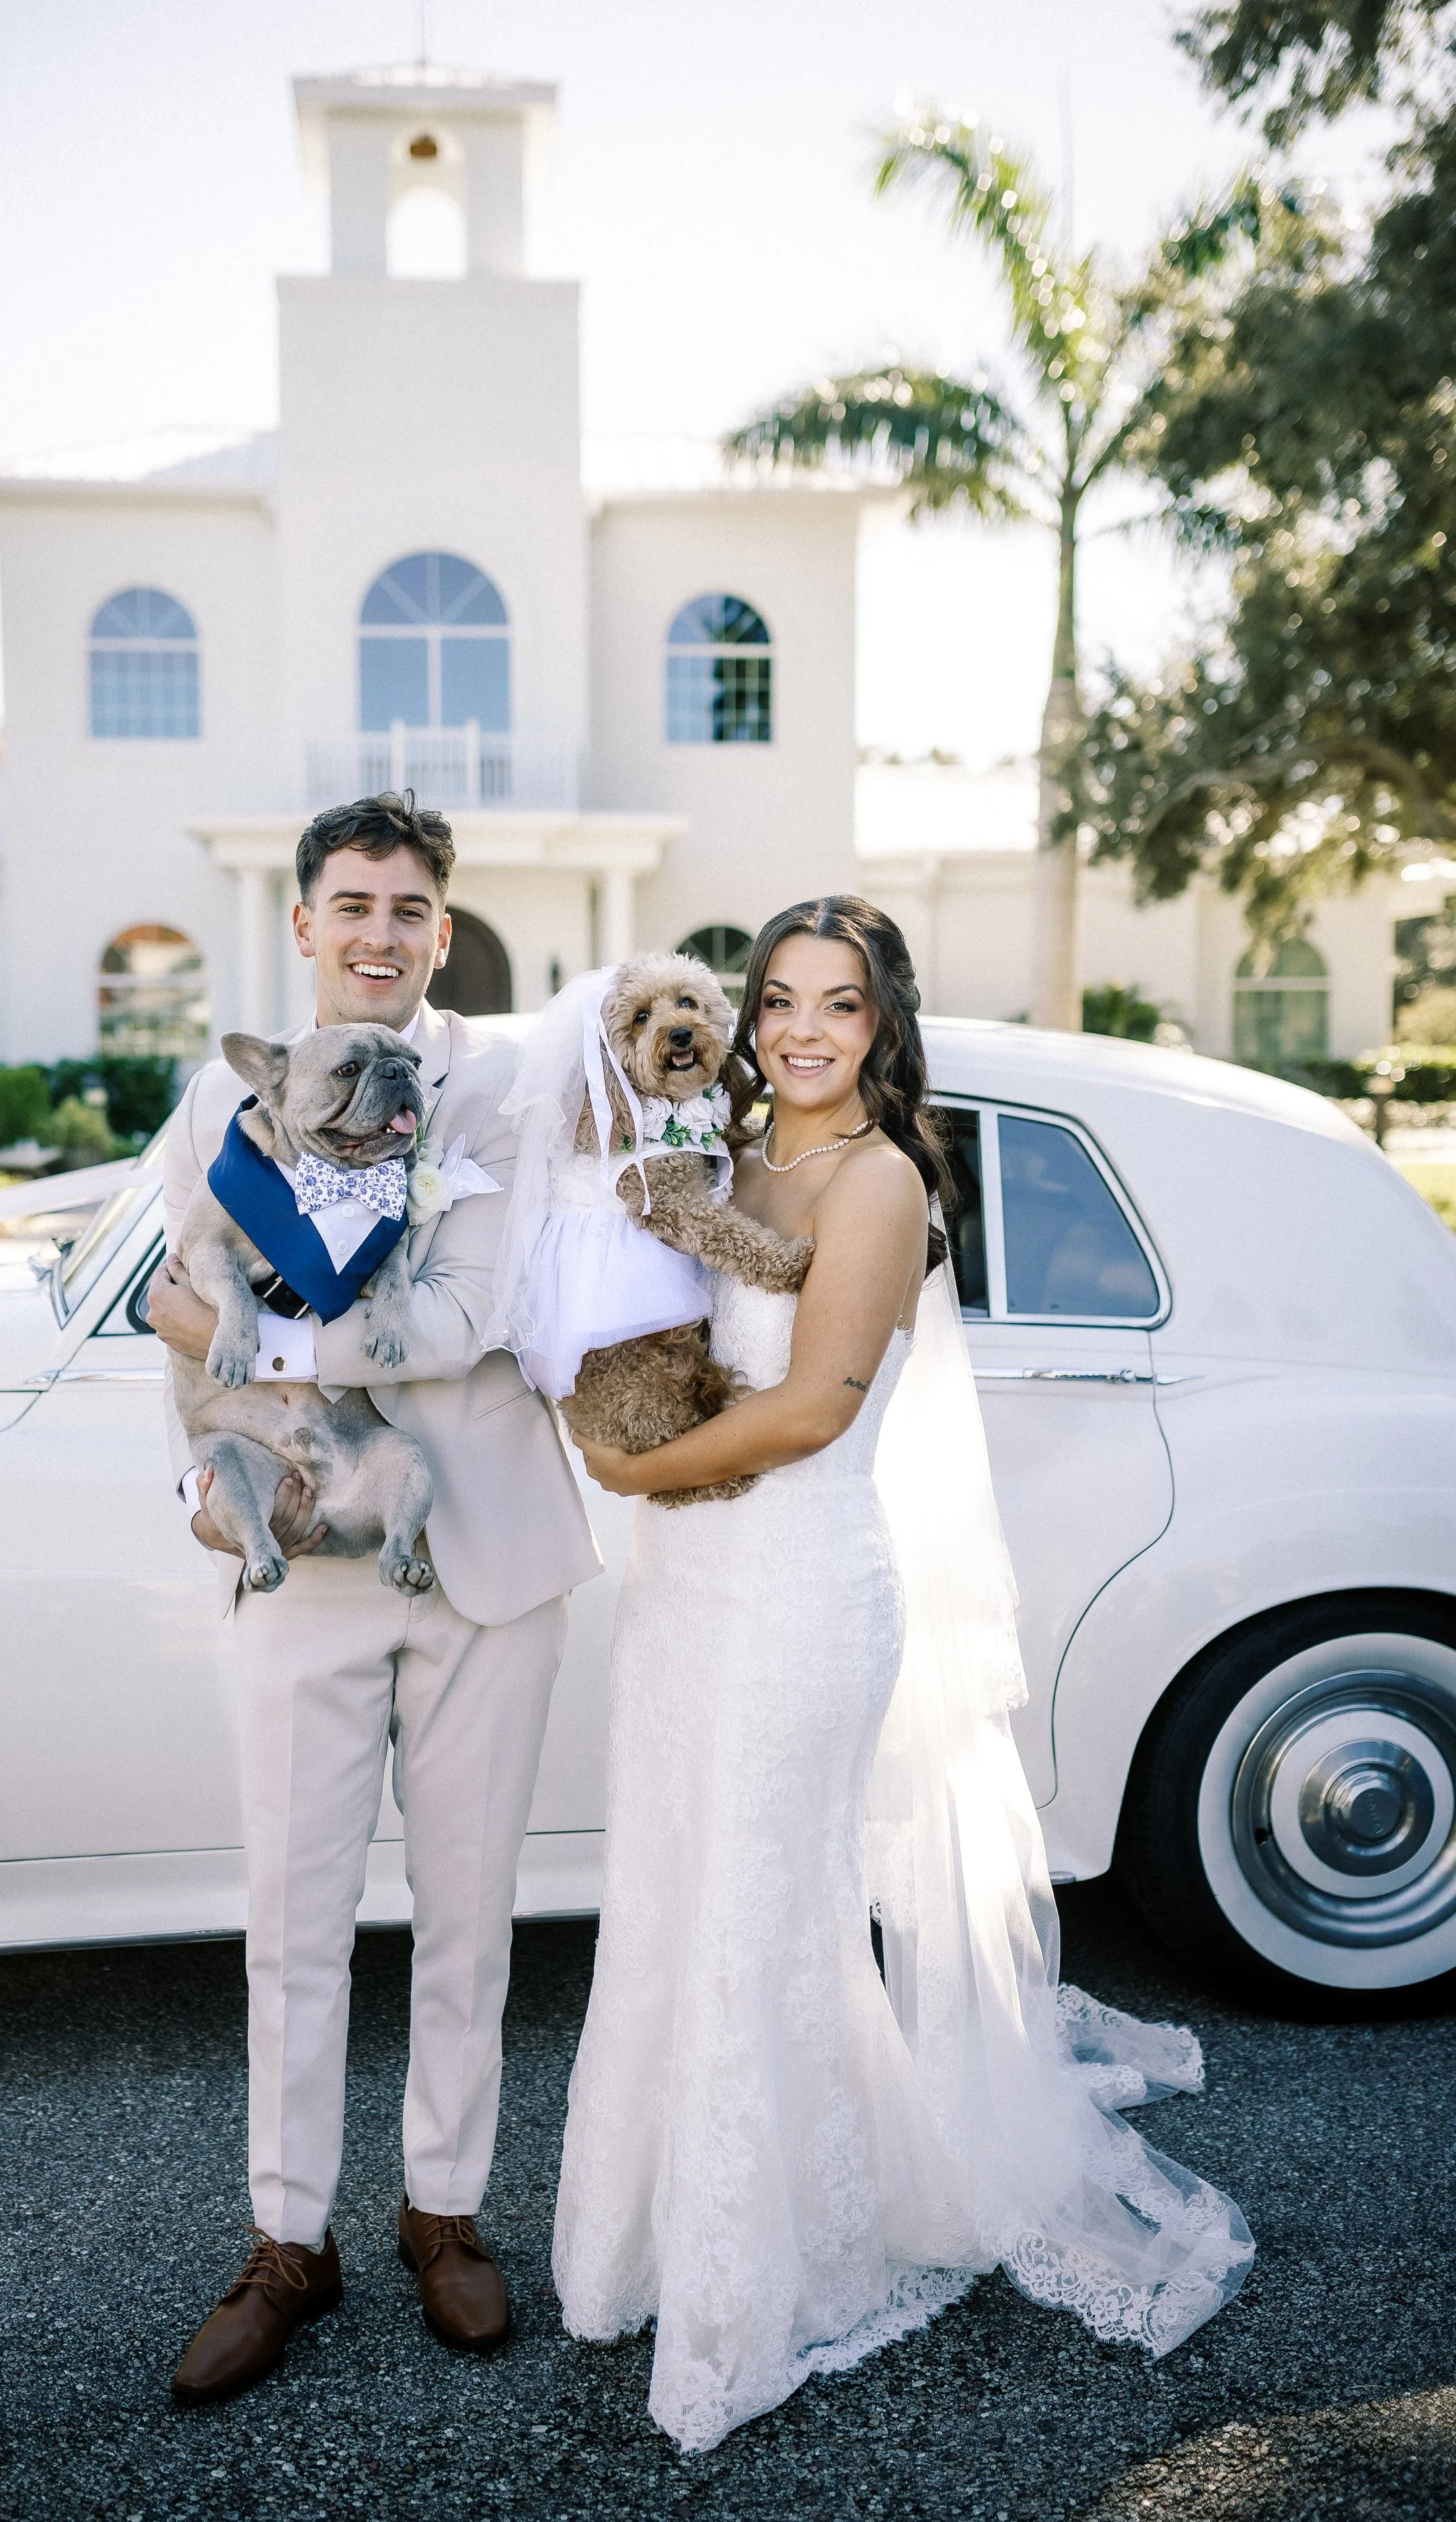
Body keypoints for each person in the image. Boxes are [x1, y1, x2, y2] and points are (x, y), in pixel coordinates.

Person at [551, 896, 1254, 2454]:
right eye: (778, 1001)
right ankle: (654, 2240)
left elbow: (808, 1411)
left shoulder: (875, 1179)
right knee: (675, 1895)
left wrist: (622, 1470)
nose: (800, 1029)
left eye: (838, 1005)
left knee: (755, 1907)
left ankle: (762, 2279)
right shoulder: (724, 1159)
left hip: (799, 1586)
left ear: (882, 1024)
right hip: (687, 1598)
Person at [147, 791, 600, 2406]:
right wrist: (207, 1482)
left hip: (484, 1560)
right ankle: (288, 2242)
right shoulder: (225, 1085)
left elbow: (467, 1318)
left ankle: (445, 2214)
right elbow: (161, 1298)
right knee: (293, 1924)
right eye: (351, 906)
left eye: (408, 910)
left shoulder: (493, 1087)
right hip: (297, 1565)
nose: (378, 936)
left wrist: (254, 1348)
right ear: (302, 923)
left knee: (471, 1918)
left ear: (440, 926)